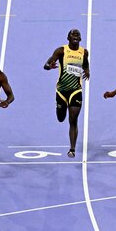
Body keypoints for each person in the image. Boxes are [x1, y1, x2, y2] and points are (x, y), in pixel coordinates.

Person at [44, 29, 90, 158]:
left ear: (80, 39)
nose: (75, 36)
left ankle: (72, 149)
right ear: (68, 38)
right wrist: (49, 65)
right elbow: (46, 64)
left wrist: (87, 71)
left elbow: (85, 63)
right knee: (61, 118)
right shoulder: (61, 51)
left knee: (73, 119)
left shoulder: (84, 52)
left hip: (76, 90)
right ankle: (59, 108)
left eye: (78, 35)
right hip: (61, 91)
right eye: (73, 35)